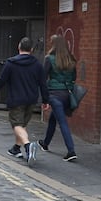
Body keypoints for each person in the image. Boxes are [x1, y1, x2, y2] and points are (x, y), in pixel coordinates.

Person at [0, 36, 49, 167]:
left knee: (16, 125)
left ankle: (28, 147)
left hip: (16, 99)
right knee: (22, 125)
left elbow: (2, 79)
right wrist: (45, 100)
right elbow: (43, 84)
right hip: (31, 100)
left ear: (19, 47)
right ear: (32, 49)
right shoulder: (37, 65)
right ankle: (16, 149)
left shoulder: (11, 63)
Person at [38, 34, 78, 162]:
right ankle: (45, 143)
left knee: (62, 123)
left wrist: (44, 99)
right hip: (67, 94)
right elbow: (73, 78)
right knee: (53, 119)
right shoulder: (71, 59)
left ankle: (71, 151)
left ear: (54, 45)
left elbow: (42, 79)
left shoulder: (49, 59)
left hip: (54, 95)